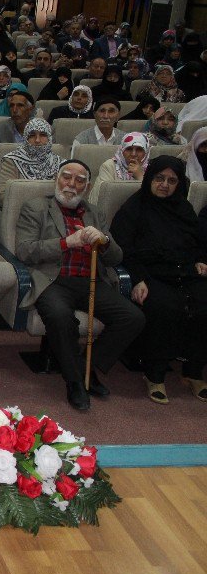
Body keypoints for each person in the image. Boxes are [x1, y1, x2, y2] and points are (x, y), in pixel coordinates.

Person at [15, 159, 145, 411]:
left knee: (133, 317)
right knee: (61, 316)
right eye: (67, 177)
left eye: (80, 180)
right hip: (54, 281)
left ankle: (87, 365)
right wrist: (67, 242)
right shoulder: (35, 207)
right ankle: (76, 381)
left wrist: (105, 241)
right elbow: (25, 251)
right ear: (57, 179)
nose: (71, 184)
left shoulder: (94, 212)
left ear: (87, 186)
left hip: (90, 281)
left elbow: (116, 257)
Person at [110, 155, 207, 404]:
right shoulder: (134, 207)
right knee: (165, 307)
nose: (164, 184)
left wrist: (200, 259)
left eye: (172, 180)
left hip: (185, 271)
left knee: (203, 303)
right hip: (150, 273)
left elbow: (197, 242)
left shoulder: (183, 208)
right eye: (159, 178)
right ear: (150, 179)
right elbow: (124, 249)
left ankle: (194, 372)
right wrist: (138, 279)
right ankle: (154, 374)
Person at [0, 118, 64, 202]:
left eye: (43, 135)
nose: (37, 140)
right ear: (25, 138)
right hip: (21, 211)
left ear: (49, 138)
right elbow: (3, 195)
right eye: (32, 135)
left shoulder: (61, 164)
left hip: (53, 212)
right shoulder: (12, 161)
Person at [89, 132, 149, 207]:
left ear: (146, 152)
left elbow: (152, 201)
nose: (133, 154)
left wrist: (140, 177)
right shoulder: (109, 166)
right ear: (122, 150)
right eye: (129, 149)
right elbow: (100, 197)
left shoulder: (152, 169)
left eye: (139, 149)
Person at [0, 89, 35, 168]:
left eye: (20, 105)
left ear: (30, 109)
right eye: (12, 106)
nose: (14, 110)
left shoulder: (43, 131)